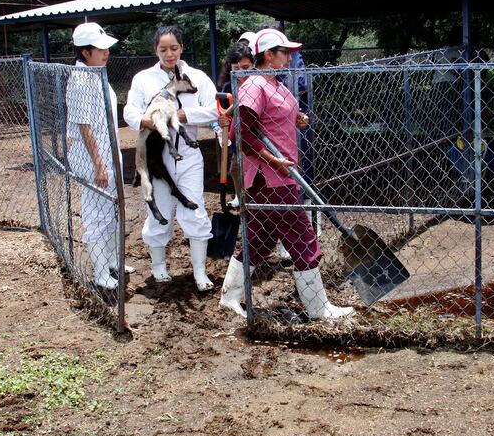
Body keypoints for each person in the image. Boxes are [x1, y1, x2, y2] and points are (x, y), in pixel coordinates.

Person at [219, 28, 354, 321]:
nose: (291, 58)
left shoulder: (276, 83)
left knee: (259, 240)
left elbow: (274, 119)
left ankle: (229, 297)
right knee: (303, 238)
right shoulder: (255, 85)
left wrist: (297, 118)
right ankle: (318, 308)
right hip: (270, 178)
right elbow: (240, 133)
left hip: (280, 174)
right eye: (285, 52)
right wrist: (274, 160)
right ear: (268, 55)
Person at [124, 26, 219, 291]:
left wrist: (184, 116)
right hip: (157, 158)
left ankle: (200, 272)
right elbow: (130, 112)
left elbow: (214, 109)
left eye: (174, 48)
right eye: (163, 49)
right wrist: (149, 121)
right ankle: (158, 267)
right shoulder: (144, 79)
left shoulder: (197, 77)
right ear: (155, 50)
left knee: (195, 211)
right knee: (159, 211)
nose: (169, 54)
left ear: (182, 48)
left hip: (188, 156)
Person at [65, 22, 127, 292]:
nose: (106, 53)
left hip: (107, 153)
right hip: (93, 158)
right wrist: (99, 165)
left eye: (106, 48)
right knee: (96, 214)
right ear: (85, 51)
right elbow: (84, 126)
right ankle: (101, 272)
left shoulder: (96, 74)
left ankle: (112, 261)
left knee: (111, 209)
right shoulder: (80, 79)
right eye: (100, 49)